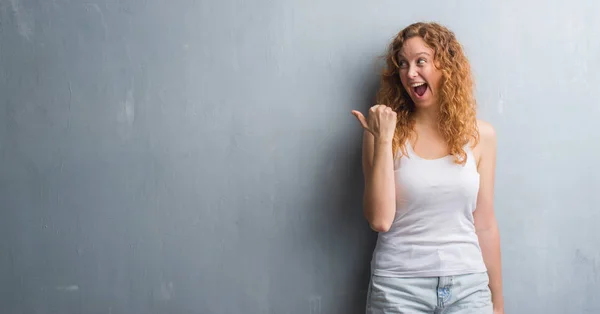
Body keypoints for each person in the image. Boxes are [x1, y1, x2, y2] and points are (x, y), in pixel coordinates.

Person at [351, 22, 504, 313]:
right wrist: (383, 140)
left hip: (468, 289)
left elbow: (484, 224)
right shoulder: (382, 134)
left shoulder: (482, 136)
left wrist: (497, 300)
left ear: (446, 66)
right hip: (398, 289)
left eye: (421, 61)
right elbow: (380, 220)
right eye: (403, 64)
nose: (410, 73)